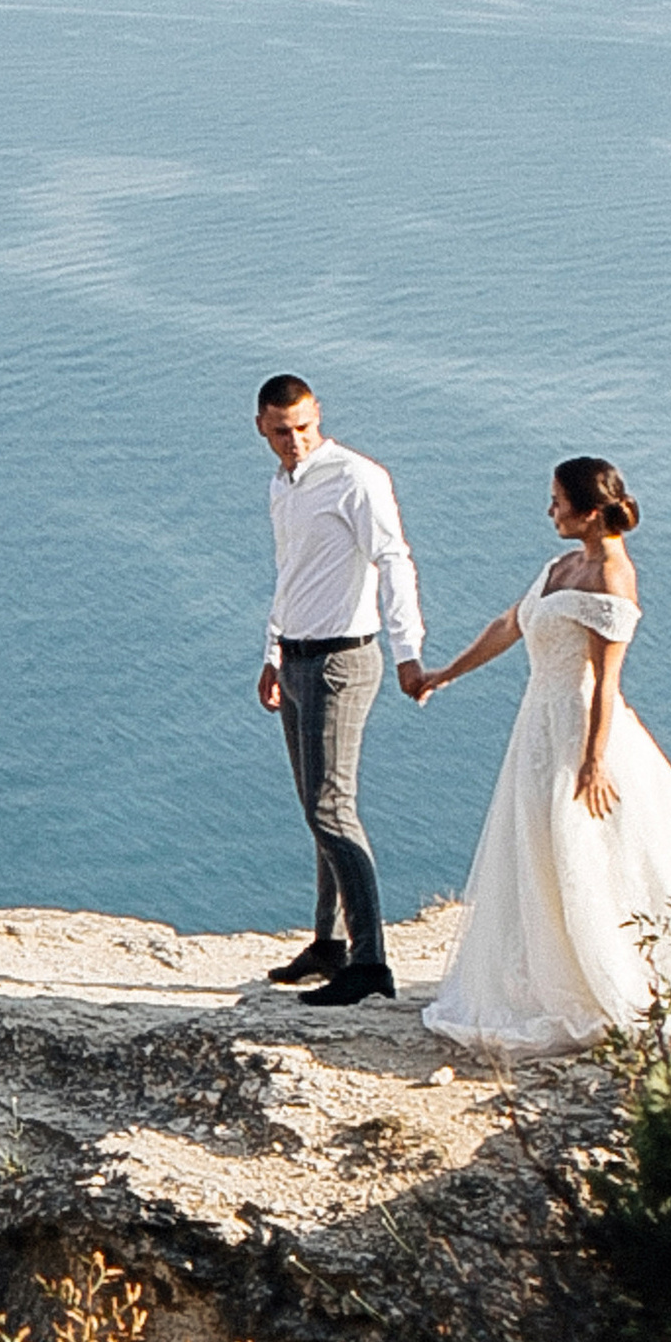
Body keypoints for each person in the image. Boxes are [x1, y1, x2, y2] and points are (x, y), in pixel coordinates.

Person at [415, 456, 671, 1055]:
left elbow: (607, 681)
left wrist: (593, 760)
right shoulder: (561, 565)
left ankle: (597, 978)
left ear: (589, 512)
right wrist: (445, 674)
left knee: (584, 850)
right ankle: (537, 972)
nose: (549, 510)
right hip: (536, 726)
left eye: (558, 501)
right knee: (535, 850)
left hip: (578, 728)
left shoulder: (613, 578)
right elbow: (511, 623)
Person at [254, 374, 430, 1008]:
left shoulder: (356, 477)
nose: (294, 441)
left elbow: (393, 559)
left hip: (342, 662)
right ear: (261, 428)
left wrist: (409, 652)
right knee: (314, 808)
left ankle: (369, 963)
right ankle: (328, 944)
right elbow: (291, 574)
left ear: (318, 417)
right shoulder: (283, 484)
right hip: (297, 658)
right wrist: (272, 651)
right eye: (281, 431)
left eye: (303, 428)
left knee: (332, 808)